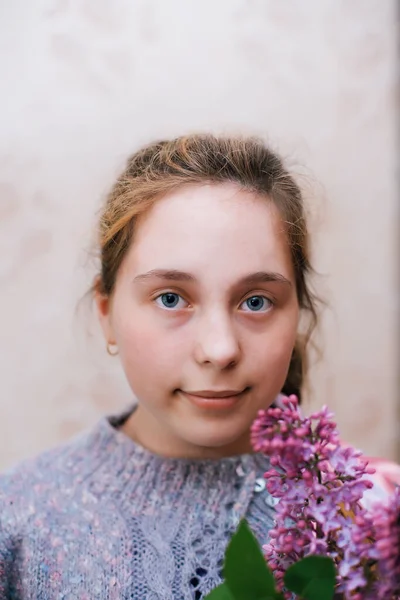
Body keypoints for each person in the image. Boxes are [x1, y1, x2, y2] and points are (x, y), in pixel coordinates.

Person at [0, 134, 393, 598]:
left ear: (298, 313)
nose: (220, 349)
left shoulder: (367, 517)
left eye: (256, 301)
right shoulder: (18, 521)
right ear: (107, 313)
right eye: (171, 298)